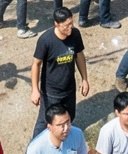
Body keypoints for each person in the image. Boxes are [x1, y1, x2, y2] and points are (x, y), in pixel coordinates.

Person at [31, 7, 89, 138]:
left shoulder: (75, 34)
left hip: (69, 88)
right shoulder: (45, 40)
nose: (70, 27)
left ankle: (62, 140)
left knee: (69, 117)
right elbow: (36, 64)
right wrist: (35, 89)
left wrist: (84, 79)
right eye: (66, 25)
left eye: (71, 23)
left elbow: (79, 56)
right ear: (56, 24)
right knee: (44, 121)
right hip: (51, 92)